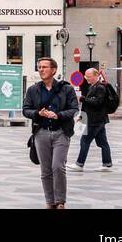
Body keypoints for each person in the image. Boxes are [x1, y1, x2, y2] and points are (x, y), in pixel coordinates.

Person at [22, 56, 79, 209]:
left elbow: (74, 110)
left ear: (53, 70)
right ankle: (50, 202)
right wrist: (37, 114)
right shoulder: (33, 90)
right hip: (41, 133)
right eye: (39, 67)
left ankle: (60, 201)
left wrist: (58, 115)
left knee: (58, 166)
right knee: (46, 170)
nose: (41, 69)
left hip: (61, 132)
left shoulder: (66, 89)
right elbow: (25, 110)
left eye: (44, 67)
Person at [74, 66, 115, 172]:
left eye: (89, 76)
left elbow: (97, 103)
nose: (86, 78)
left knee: (85, 141)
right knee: (103, 143)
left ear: (96, 75)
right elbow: (90, 105)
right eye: (85, 76)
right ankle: (107, 164)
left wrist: (82, 98)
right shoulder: (93, 86)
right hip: (98, 119)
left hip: (95, 120)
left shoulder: (99, 87)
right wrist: (81, 116)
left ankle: (79, 164)